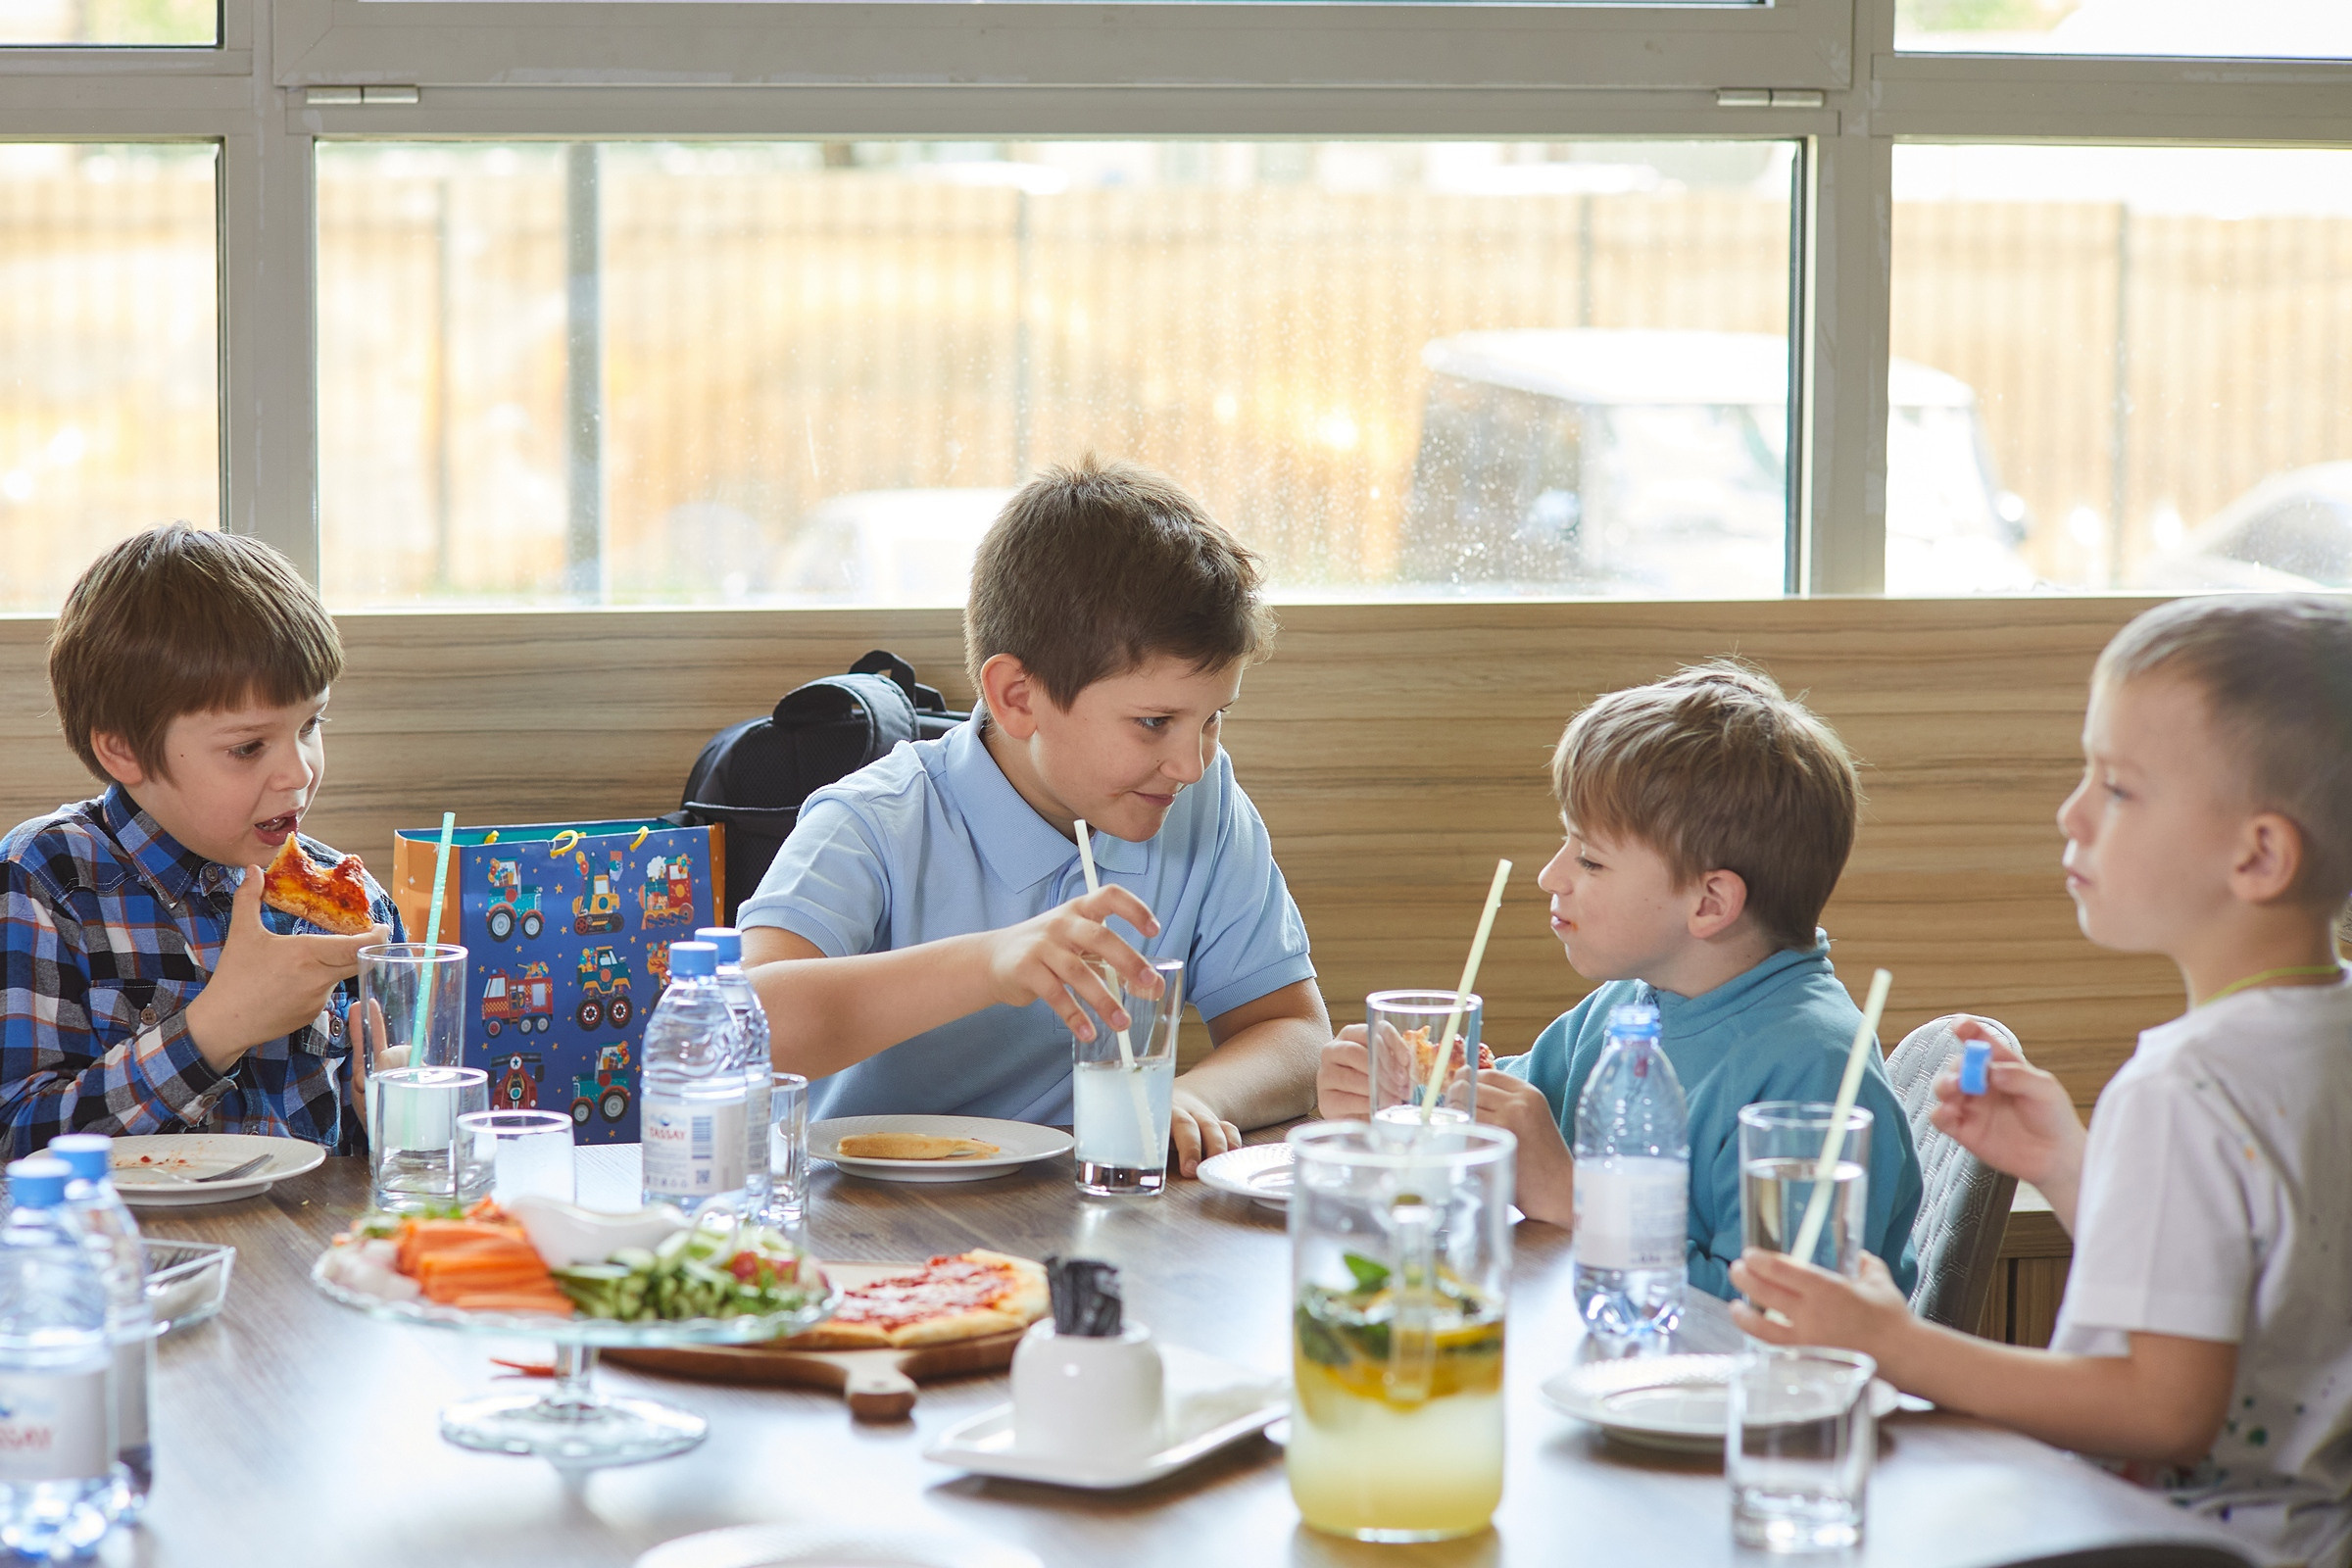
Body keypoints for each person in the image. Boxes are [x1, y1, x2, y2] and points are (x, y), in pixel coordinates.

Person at [1733, 595, 2352, 1568]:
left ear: (2259, 853)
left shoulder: (2182, 1085)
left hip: (2175, 1547)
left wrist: (1898, 1344)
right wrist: (2070, 1167)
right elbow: (2268, 1277)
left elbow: (2161, 1408)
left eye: (2117, 787)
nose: (2070, 812)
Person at [739, 457, 1328, 1174]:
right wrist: (990, 962)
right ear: (1018, 697)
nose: (1191, 763)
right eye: (1152, 721)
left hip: (1095, 1220)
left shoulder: (1201, 805)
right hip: (872, 1227)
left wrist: (1195, 1096)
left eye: (1213, 720)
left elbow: (1293, 1031)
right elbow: (748, 1023)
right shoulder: (875, 820)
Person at [1316, 661, 1923, 1299]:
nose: (1551, 876)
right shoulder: (1625, 1006)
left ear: (1710, 903)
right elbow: (1501, 1136)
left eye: (1589, 858)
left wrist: (1575, 1200)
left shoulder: (1817, 1069)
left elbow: (1778, 1320)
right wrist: (1405, 1098)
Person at [0, 525, 396, 1156]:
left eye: (311, 724)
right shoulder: (47, 877)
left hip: (307, 1251)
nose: (299, 772)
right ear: (122, 749)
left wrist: (383, 1116)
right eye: (248, 747)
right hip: (132, 1252)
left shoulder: (348, 902)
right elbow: (15, 1137)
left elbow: (367, 1166)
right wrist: (217, 1027)